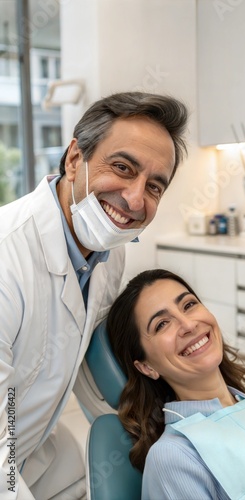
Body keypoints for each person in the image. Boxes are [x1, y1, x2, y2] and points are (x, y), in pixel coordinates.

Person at [0, 92, 188, 499]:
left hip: (29, 445)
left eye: (154, 186)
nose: (135, 200)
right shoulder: (6, 257)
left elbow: (87, 362)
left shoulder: (110, 254)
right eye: (122, 167)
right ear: (74, 159)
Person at [107, 268, 245, 499]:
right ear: (147, 367)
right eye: (161, 324)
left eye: (188, 305)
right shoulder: (173, 457)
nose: (188, 325)